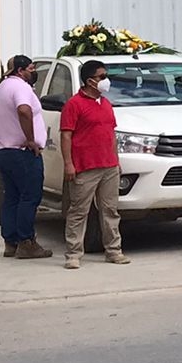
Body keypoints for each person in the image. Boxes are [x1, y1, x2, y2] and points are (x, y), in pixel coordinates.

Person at [59, 59, 131, 269]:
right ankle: (73, 253)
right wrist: (68, 164)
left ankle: (114, 250)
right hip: (85, 166)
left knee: (110, 210)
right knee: (79, 211)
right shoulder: (74, 104)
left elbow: (111, 134)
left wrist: (116, 160)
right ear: (90, 81)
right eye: (102, 77)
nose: (106, 81)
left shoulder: (106, 104)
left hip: (108, 166)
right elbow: (66, 136)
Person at [0, 55, 52, 260]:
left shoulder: (2, 88)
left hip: (3, 150)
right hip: (22, 152)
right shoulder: (21, 87)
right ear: (20, 70)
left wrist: (3, 132)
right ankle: (26, 242)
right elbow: (24, 110)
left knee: (12, 197)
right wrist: (31, 139)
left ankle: (11, 242)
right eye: (31, 69)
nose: (33, 73)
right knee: (29, 196)